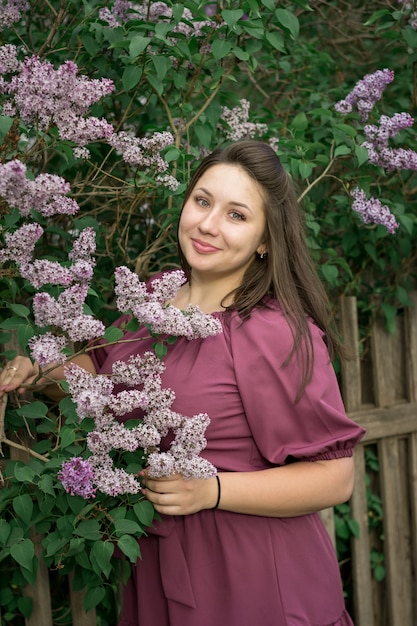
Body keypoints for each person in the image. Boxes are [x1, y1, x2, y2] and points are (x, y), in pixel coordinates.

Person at [0, 140, 365, 626]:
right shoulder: (156, 296)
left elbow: (334, 476)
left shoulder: (272, 332)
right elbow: (104, 372)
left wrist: (211, 490)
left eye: (237, 215)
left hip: (252, 581)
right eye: (203, 200)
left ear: (265, 239)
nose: (209, 224)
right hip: (156, 570)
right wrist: (44, 371)